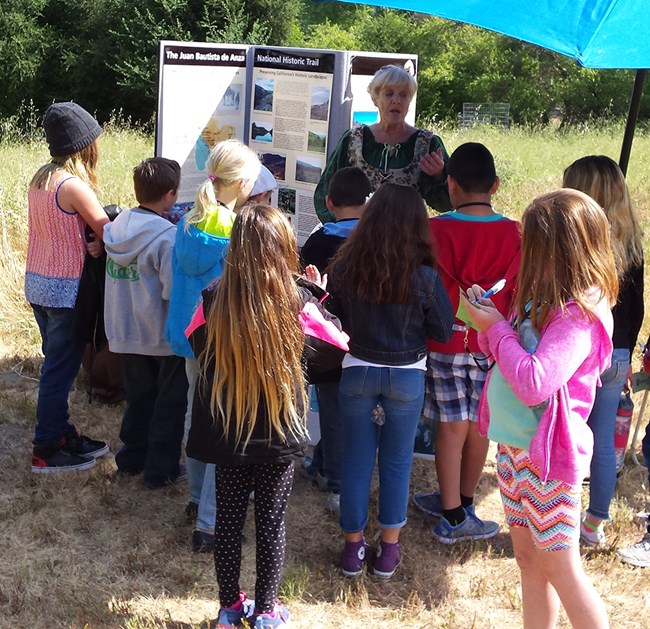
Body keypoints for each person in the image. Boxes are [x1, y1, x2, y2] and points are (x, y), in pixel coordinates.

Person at [462, 188, 616, 629]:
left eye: (531, 244)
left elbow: (534, 383)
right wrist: (493, 322)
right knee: (530, 561)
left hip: (548, 461)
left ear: (558, 251)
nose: (523, 252)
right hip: (515, 451)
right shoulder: (542, 299)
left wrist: (496, 329)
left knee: (561, 570)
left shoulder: (577, 316)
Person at [186, 204, 312, 628]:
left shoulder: (213, 297)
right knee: (272, 525)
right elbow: (333, 345)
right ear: (284, 249)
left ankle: (228, 608)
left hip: (231, 431)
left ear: (236, 247)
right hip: (277, 435)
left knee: (227, 520)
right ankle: (267, 611)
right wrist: (318, 293)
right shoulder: (299, 299)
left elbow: (196, 343)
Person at [327, 183, 455, 579]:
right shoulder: (425, 277)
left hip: (357, 370)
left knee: (356, 461)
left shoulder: (344, 267)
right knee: (397, 462)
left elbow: (332, 319)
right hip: (406, 377)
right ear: (418, 224)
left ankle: (353, 552)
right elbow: (445, 330)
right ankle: (388, 552)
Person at [413, 142, 521, 542]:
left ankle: (451, 511)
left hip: (444, 343)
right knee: (479, 428)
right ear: (495, 185)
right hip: (493, 345)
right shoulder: (515, 233)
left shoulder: (434, 228)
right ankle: (460, 504)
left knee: (450, 428)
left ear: (451, 184)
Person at [165, 139, 261, 549]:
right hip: (221, 339)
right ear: (240, 183)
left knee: (196, 415)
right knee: (223, 427)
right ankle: (211, 522)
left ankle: (195, 498)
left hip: (190, 337)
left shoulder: (188, 219)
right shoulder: (234, 229)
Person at [562, 155, 644, 547]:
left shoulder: (579, 241)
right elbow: (638, 306)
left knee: (567, 433)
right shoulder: (632, 241)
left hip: (580, 351)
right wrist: (627, 353)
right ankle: (595, 522)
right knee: (602, 442)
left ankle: (558, 513)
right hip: (618, 353)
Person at [27, 101, 111, 473]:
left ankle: (60, 433)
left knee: (55, 364)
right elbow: (108, 227)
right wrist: (100, 241)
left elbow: (64, 230)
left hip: (38, 284)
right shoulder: (73, 186)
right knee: (59, 371)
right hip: (64, 290)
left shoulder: (41, 179)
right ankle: (46, 447)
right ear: (84, 146)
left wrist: (87, 240)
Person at [103, 157, 188, 489]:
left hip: (125, 332)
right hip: (161, 336)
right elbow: (170, 289)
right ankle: (161, 470)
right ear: (170, 195)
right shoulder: (167, 237)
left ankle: (130, 460)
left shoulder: (116, 227)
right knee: (168, 404)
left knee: (138, 399)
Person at [299, 166, 373, 512]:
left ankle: (337, 479)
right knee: (338, 412)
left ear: (328, 202)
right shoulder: (375, 239)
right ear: (367, 202)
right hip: (364, 340)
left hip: (325, 342)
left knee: (331, 409)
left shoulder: (317, 241)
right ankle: (321, 464)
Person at [314, 64, 451, 223]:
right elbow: (324, 193)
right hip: (360, 240)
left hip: (407, 241)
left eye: (404, 95)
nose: (396, 100)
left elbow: (446, 203)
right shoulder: (353, 140)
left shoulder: (427, 144)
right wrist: (343, 229)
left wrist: (440, 176)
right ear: (375, 99)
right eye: (389, 94)